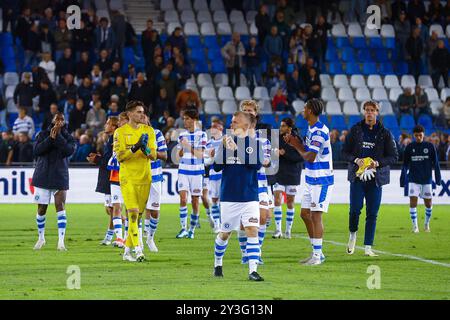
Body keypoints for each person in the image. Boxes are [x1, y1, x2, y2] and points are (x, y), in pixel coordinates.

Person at [212, 111, 265, 281]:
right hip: (229, 196)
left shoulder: (255, 144)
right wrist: (224, 150)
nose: (231, 125)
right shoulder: (225, 142)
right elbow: (217, 167)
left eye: (235, 122)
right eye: (232, 122)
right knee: (225, 234)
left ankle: (252, 271)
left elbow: (256, 165)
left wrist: (237, 150)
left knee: (252, 230)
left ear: (246, 125)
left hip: (250, 196)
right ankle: (218, 263)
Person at [341, 101, 398, 257]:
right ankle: (353, 234)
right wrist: (356, 160)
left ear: (377, 112)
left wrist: (378, 163)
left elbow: (394, 156)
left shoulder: (385, 133)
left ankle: (367, 247)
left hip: (376, 179)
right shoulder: (355, 130)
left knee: (372, 213)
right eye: (367, 110)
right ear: (364, 112)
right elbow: (344, 152)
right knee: (354, 210)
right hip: (357, 177)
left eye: (372, 110)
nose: (369, 113)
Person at [284, 99, 334, 265]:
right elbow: (306, 150)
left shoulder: (319, 131)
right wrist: (295, 142)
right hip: (311, 179)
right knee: (305, 214)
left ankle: (317, 256)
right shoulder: (311, 128)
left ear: (311, 110)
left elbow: (310, 157)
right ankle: (316, 253)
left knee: (316, 216)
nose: (303, 110)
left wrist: (295, 145)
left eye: (305, 108)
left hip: (322, 179)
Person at [113, 101, 157, 262]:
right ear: (130, 114)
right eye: (138, 112)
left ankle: (126, 251)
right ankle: (138, 250)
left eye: (143, 112)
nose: (142, 115)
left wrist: (144, 148)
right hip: (128, 179)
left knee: (137, 217)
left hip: (145, 178)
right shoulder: (120, 132)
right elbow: (121, 157)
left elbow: (153, 155)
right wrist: (134, 147)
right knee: (131, 214)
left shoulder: (149, 131)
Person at [32, 112, 76, 251]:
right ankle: (41, 238)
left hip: (59, 175)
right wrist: (50, 138)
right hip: (43, 175)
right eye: (57, 118)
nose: (59, 121)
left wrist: (58, 137)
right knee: (41, 209)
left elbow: (69, 151)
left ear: (64, 122)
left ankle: (61, 242)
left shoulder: (68, 137)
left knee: (60, 206)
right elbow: (37, 151)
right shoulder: (42, 134)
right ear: (52, 120)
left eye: (61, 119)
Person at [401, 125, 442, 233]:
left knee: (428, 204)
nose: (418, 137)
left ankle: (426, 223)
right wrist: (402, 179)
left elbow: (436, 163)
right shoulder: (409, 147)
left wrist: (438, 178)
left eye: (420, 135)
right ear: (413, 135)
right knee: (413, 201)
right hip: (413, 179)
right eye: (416, 135)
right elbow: (405, 164)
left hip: (426, 179)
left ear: (423, 134)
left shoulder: (429, 146)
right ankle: (415, 226)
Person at [175, 108, 207, 239]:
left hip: (197, 171)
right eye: (184, 119)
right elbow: (178, 156)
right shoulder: (181, 135)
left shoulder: (203, 135)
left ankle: (191, 230)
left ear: (194, 120)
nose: (185, 121)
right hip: (183, 170)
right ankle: (183, 228)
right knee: (183, 199)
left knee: (195, 201)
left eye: (187, 119)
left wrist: (188, 146)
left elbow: (200, 154)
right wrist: (183, 148)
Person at [87, 117, 118, 245]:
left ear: (114, 127)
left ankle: (113, 236)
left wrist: (97, 160)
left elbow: (110, 160)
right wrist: (98, 158)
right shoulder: (110, 140)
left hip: (113, 177)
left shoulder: (115, 140)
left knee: (113, 208)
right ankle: (116, 234)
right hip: (108, 177)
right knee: (110, 208)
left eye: (107, 124)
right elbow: (108, 158)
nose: (105, 125)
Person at [273, 117, 303, 239]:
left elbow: (301, 157)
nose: (281, 128)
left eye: (283, 126)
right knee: (277, 199)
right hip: (278, 173)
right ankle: (278, 230)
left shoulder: (297, 140)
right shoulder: (276, 139)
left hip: (292, 174)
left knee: (290, 202)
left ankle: (288, 230)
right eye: (281, 126)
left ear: (289, 128)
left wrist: (285, 154)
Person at [143, 115, 168, 253]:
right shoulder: (131, 133)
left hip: (155, 176)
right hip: (138, 176)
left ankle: (150, 238)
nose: (141, 119)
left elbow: (164, 155)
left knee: (154, 210)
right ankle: (137, 241)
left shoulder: (157, 133)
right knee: (135, 210)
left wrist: (148, 151)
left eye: (144, 116)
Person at [204, 119, 224, 232]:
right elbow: (205, 161)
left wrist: (214, 157)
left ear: (220, 128)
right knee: (215, 199)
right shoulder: (208, 143)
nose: (212, 129)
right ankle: (217, 225)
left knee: (224, 200)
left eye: (214, 127)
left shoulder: (225, 141)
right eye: (211, 127)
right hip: (213, 174)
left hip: (224, 173)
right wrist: (212, 158)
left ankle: (224, 223)